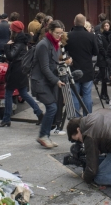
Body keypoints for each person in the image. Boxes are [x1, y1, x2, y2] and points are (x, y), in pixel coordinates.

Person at [0, 21, 43, 128]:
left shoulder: (18, 43)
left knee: (8, 93)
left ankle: (6, 119)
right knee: (23, 93)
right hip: (21, 70)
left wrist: (6, 47)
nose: (9, 30)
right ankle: (39, 113)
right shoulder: (22, 41)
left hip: (16, 70)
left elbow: (11, 56)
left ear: (14, 30)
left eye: (11, 29)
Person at [31, 20, 66, 148]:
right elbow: (45, 68)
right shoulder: (43, 45)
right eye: (57, 33)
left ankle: (46, 136)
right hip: (40, 82)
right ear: (50, 31)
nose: (59, 36)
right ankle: (43, 136)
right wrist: (56, 80)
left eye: (61, 33)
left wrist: (64, 64)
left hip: (48, 81)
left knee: (53, 108)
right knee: (52, 108)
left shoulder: (55, 44)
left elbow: (54, 64)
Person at [66, 14, 98, 116]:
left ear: (74, 22)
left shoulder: (68, 36)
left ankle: (76, 118)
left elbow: (64, 52)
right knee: (87, 95)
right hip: (87, 69)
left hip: (73, 69)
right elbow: (96, 51)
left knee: (74, 95)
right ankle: (87, 117)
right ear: (84, 23)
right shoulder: (91, 36)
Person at [97, 20, 111, 103]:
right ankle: (105, 95)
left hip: (109, 58)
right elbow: (100, 46)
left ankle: (103, 94)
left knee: (107, 76)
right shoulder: (100, 35)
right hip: (102, 58)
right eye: (105, 26)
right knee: (104, 77)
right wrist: (106, 54)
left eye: (107, 26)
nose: (106, 27)